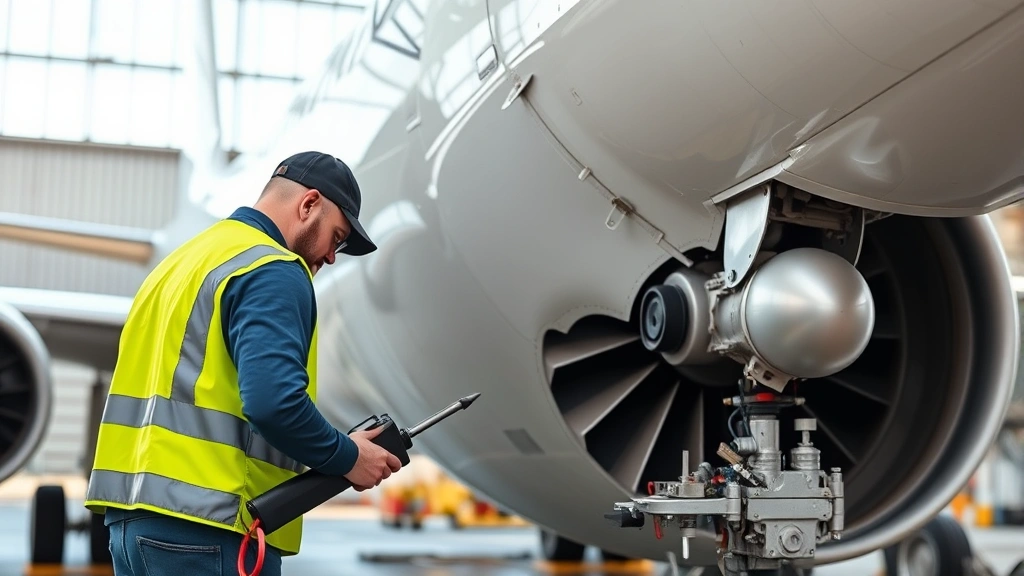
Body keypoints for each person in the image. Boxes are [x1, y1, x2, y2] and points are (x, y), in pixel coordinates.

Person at [83, 151, 402, 576]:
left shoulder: (180, 264)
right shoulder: (273, 269)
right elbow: (274, 403)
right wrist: (348, 457)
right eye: (337, 237)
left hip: (131, 524)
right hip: (210, 528)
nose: (331, 257)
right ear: (308, 205)